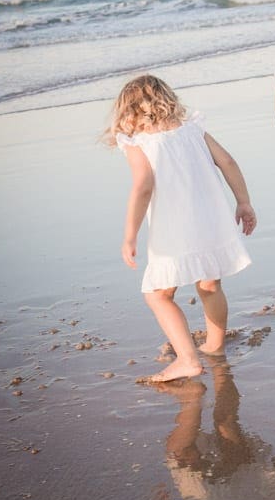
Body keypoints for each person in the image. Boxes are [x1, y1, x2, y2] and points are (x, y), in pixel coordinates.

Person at [106, 74, 257, 382]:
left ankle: (188, 359)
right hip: (212, 221)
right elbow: (227, 161)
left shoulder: (138, 142)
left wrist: (130, 234)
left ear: (128, 111)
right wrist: (243, 202)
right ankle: (214, 346)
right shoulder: (193, 128)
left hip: (176, 228)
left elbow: (143, 186)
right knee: (210, 284)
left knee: (158, 294)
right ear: (167, 99)